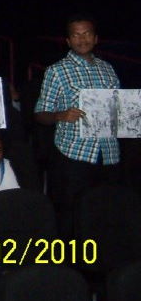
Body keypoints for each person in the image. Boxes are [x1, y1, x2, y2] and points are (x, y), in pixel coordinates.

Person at [34, 15, 120, 236]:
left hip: (108, 154)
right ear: (68, 41)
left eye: (87, 33)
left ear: (96, 38)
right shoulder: (57, 70)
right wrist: (61, 115)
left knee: (103, 217)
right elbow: (40, 113)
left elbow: (118, 109)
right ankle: (69, 258)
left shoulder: (108, 69)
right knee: (70, 219)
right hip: (73, 154)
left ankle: (99, 256)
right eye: (76, 35)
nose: (82, 39)